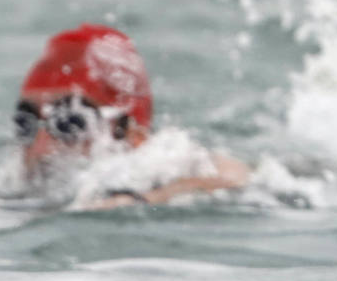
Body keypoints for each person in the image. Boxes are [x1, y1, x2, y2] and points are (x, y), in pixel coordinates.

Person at [14, 24, 249, 206]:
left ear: (132, 135)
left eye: (70, 123)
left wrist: (148, 199)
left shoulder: (166, 167)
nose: (40, 146)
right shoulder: (8, 189)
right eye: (26, 123)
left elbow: (233, 176)